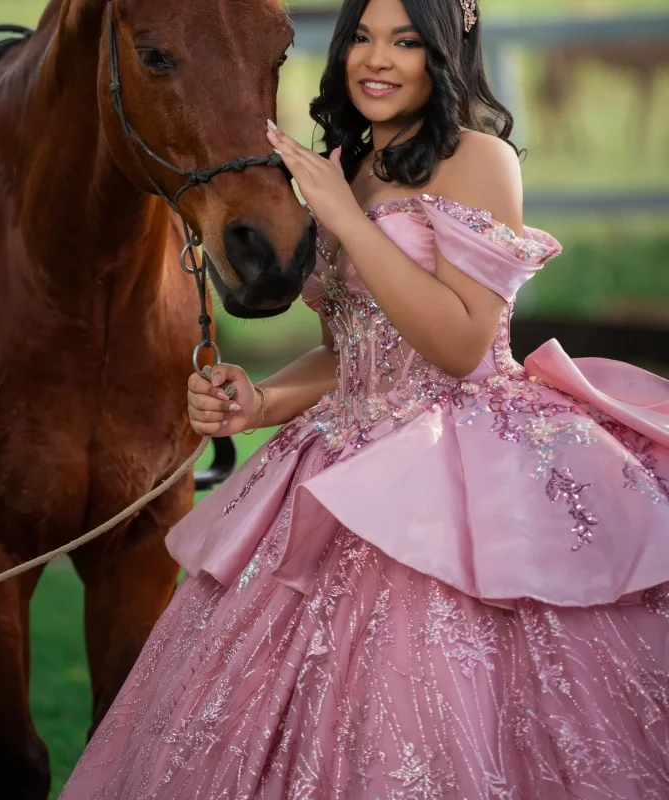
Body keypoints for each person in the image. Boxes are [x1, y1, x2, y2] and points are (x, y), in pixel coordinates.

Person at [60, 0, 669, 796]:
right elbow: (350, 347)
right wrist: (261, 400)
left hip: (457, 460)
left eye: (406, 42)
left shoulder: (479, 159)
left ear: (444, 51)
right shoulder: (347, 162)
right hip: (339, 456)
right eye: (363, 39)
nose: (377, 60)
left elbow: (456, 345)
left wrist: (343, 217)